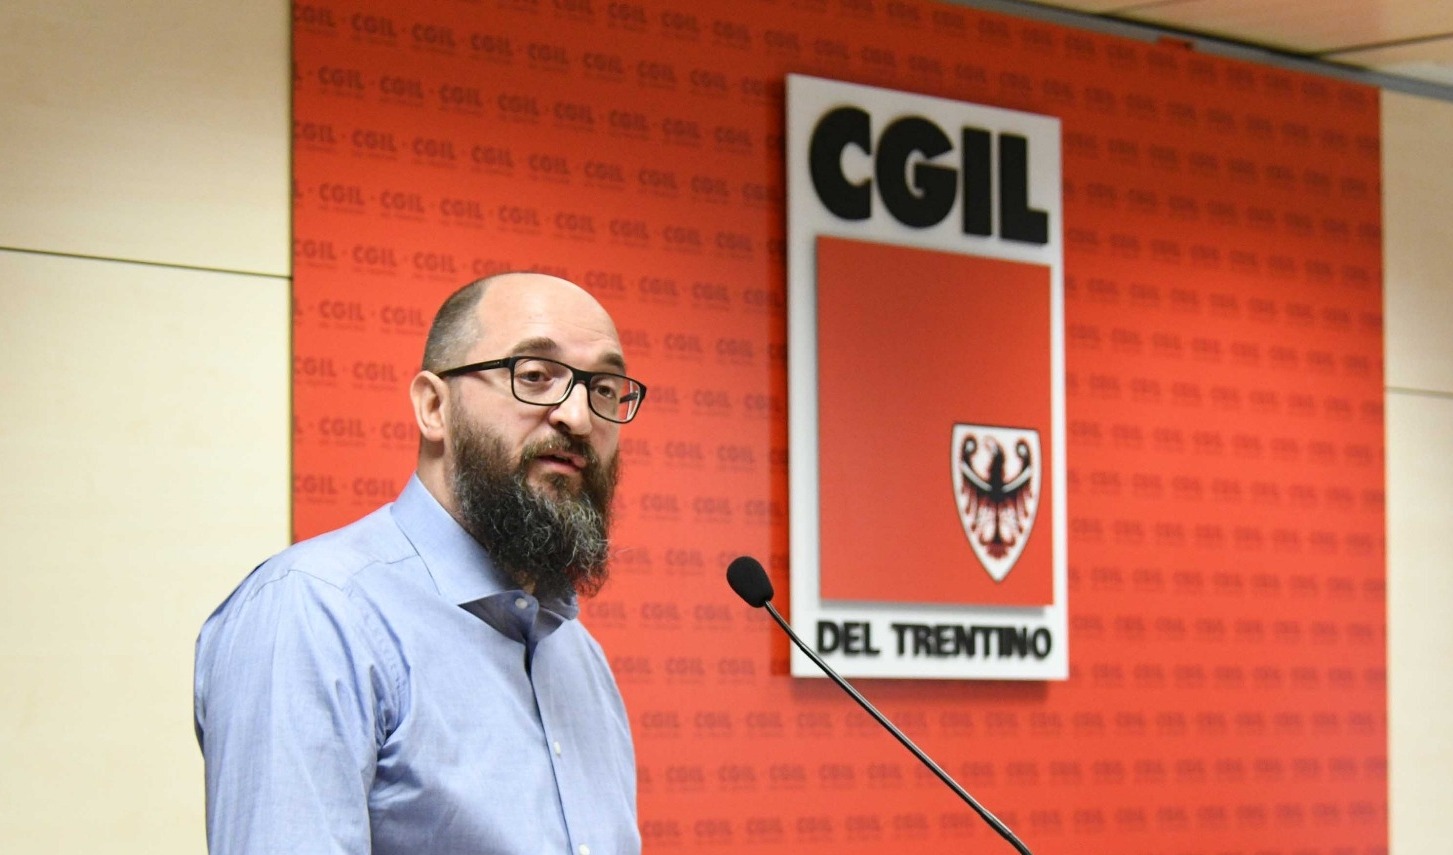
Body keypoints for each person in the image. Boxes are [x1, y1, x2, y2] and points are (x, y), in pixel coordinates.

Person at [194, 272, 646, 854]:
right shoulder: (315, 611)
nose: (578, 417)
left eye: (604, 389)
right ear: (435, 406)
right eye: (535, 376)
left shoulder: (578, 655)